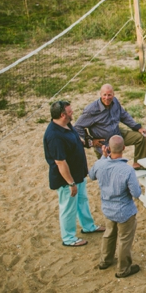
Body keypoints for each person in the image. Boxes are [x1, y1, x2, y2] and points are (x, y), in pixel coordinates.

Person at [43, 100, 104, 247]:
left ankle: (88, 226)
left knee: (82, 201)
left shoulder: (66, 125)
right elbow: (60, 163)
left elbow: (78, 140)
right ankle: (69, 238)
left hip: (78, 173)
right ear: (63, 115)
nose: (72, 113)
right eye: (70, 112)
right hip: (66, 180)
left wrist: (89, 143)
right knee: (68, 208)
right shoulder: (54, 136)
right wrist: (71, 183)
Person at [88, 135, 142, 278]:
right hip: (124, 211)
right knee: (124, 239)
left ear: (108, 148)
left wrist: (103, 158)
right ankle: (123, 269)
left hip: (107, 208)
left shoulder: (101, 164)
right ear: (124, 148)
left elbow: (91, 176)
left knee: (109, 234)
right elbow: (136, 193)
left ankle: (105, 260)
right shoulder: (127, 170)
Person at [74, 84, 146, 170]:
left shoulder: (115, 102)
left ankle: (138, 164)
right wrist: (90, 141)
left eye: (109, 95)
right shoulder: (91, 110)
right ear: (100, 94)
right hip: (104, 143)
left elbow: (123, 115)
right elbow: (77, 126)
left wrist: (137, 127)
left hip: (117, 134)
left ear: (113, 94)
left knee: (140, 137)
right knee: (111, 169)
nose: (107, 98)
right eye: (104, 95)